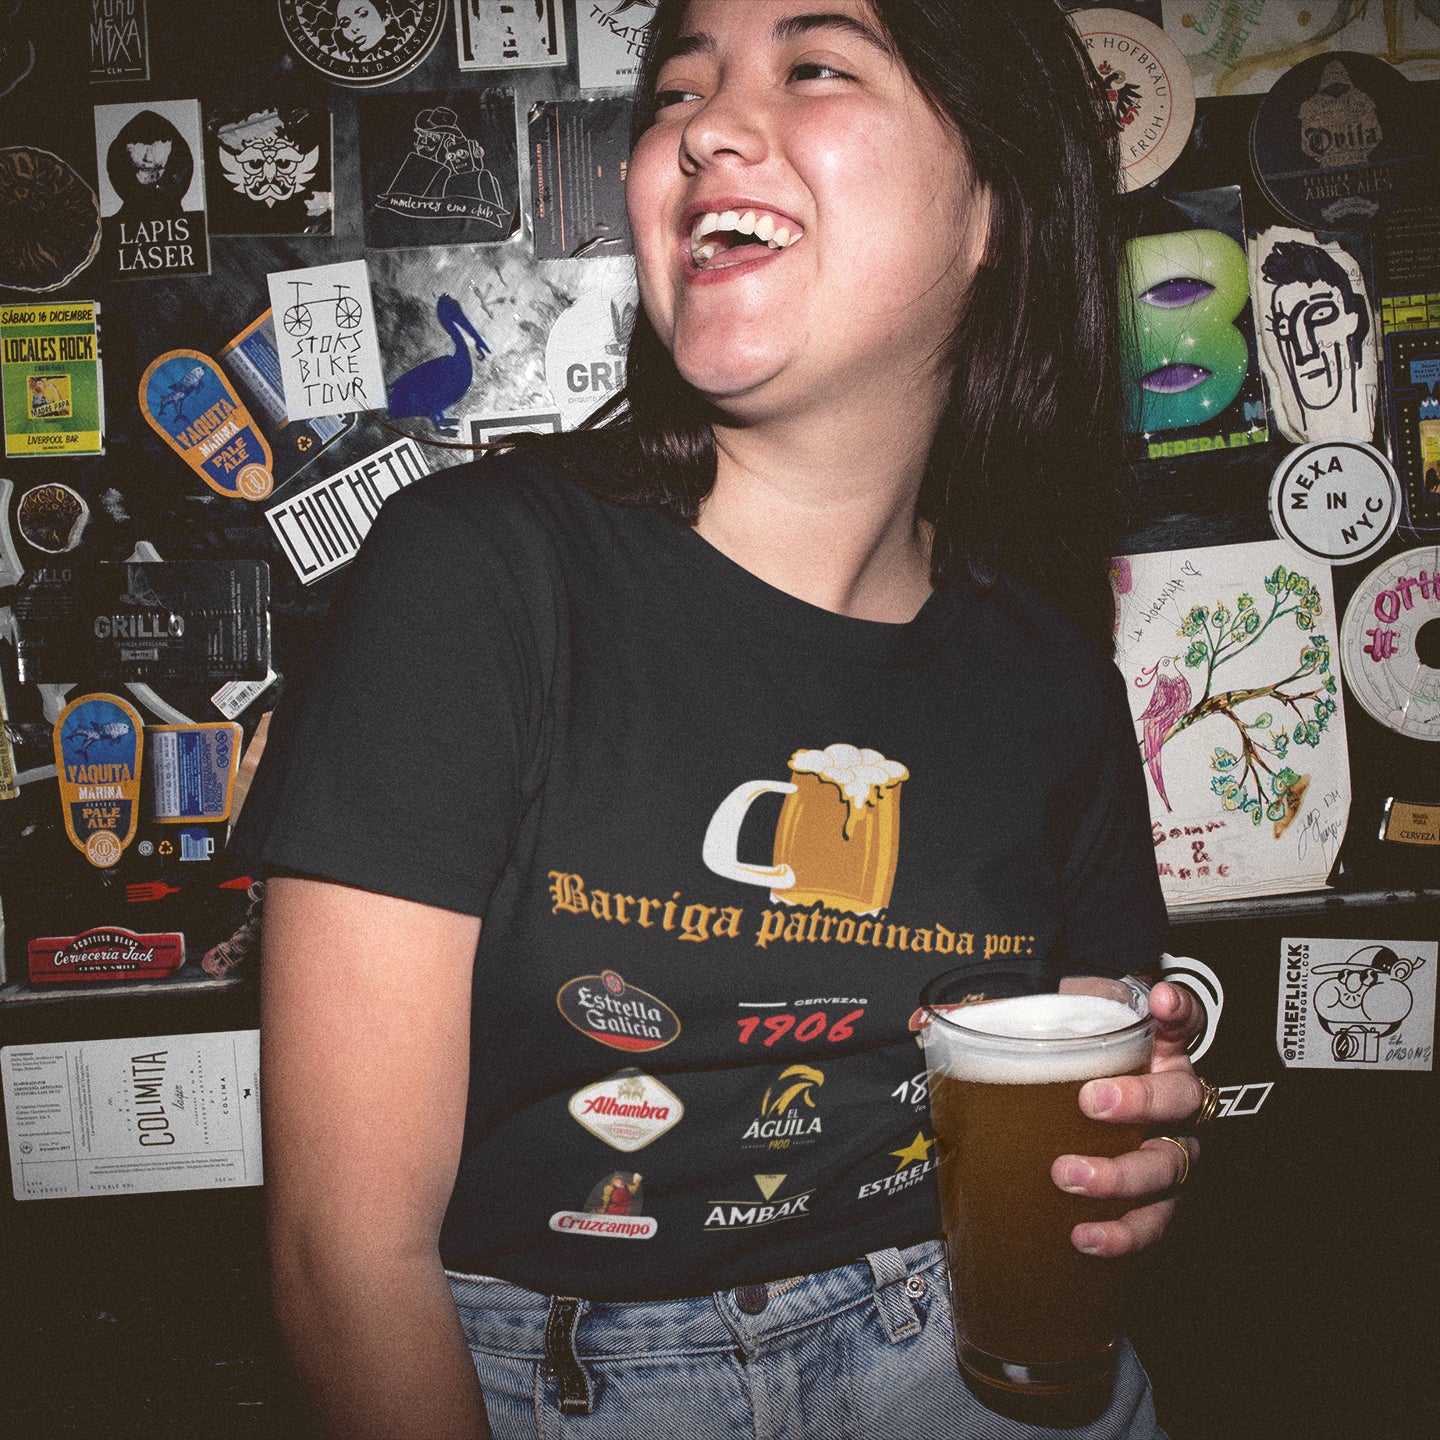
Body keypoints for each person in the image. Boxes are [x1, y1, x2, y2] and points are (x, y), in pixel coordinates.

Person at [234, 3, 1211, 1437]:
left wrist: (1129, 1170)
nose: (703, 125)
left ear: (991, 212)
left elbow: (1097, 1094)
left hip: (984, 1366)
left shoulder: (1052, 674)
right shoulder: (479, 576)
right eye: (679, 88)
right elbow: (343, 1261)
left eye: (813, 67)